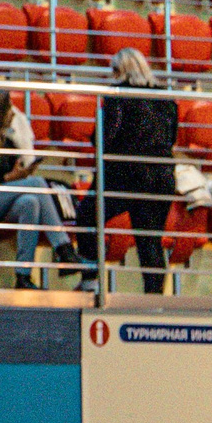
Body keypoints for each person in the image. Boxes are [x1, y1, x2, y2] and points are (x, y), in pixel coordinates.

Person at [72, 48, 179, 295]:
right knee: (149, 240)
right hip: (161, 174)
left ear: (121, 70)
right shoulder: (166, 98)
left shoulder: (118, 96)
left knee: (88, 214)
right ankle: (153, 300)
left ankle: (90, 279)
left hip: (126, 172)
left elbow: (105, 137)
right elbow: (170, 137)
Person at [0, 88, 82, 287]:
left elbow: (7, 183)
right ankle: (64, 249)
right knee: (38, 184)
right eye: (8, 110)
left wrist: (21, 175)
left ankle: (23, 275)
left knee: (29, 203)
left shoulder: (8, 142)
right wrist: (9, 178)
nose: (12, 114)